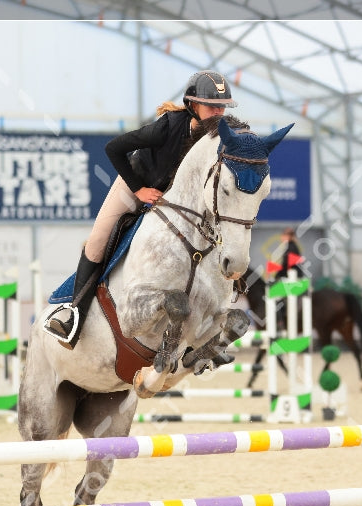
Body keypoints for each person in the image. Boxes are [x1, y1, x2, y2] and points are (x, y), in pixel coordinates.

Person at [46, 70, 239, 341]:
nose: (219, 113)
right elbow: (115, 147)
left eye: (223, 107)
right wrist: (139, 188)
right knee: (98, 240)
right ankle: (73, 315)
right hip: (135, 184)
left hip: (172, 199)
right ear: (193, 106)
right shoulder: (169, 126)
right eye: (212, 107)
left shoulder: (216, 138)